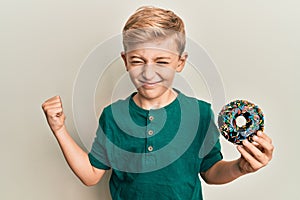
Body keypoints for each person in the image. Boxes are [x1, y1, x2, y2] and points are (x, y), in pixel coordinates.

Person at [42, 6, 274, 200]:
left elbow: (211, 171)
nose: (148, 73)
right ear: (125, 61)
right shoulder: (113, 116)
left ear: (180, 62)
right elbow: (91, 174)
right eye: (137, 61)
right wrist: (59, 129)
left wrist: (240, 168)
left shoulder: (200, 113)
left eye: (161, 61)